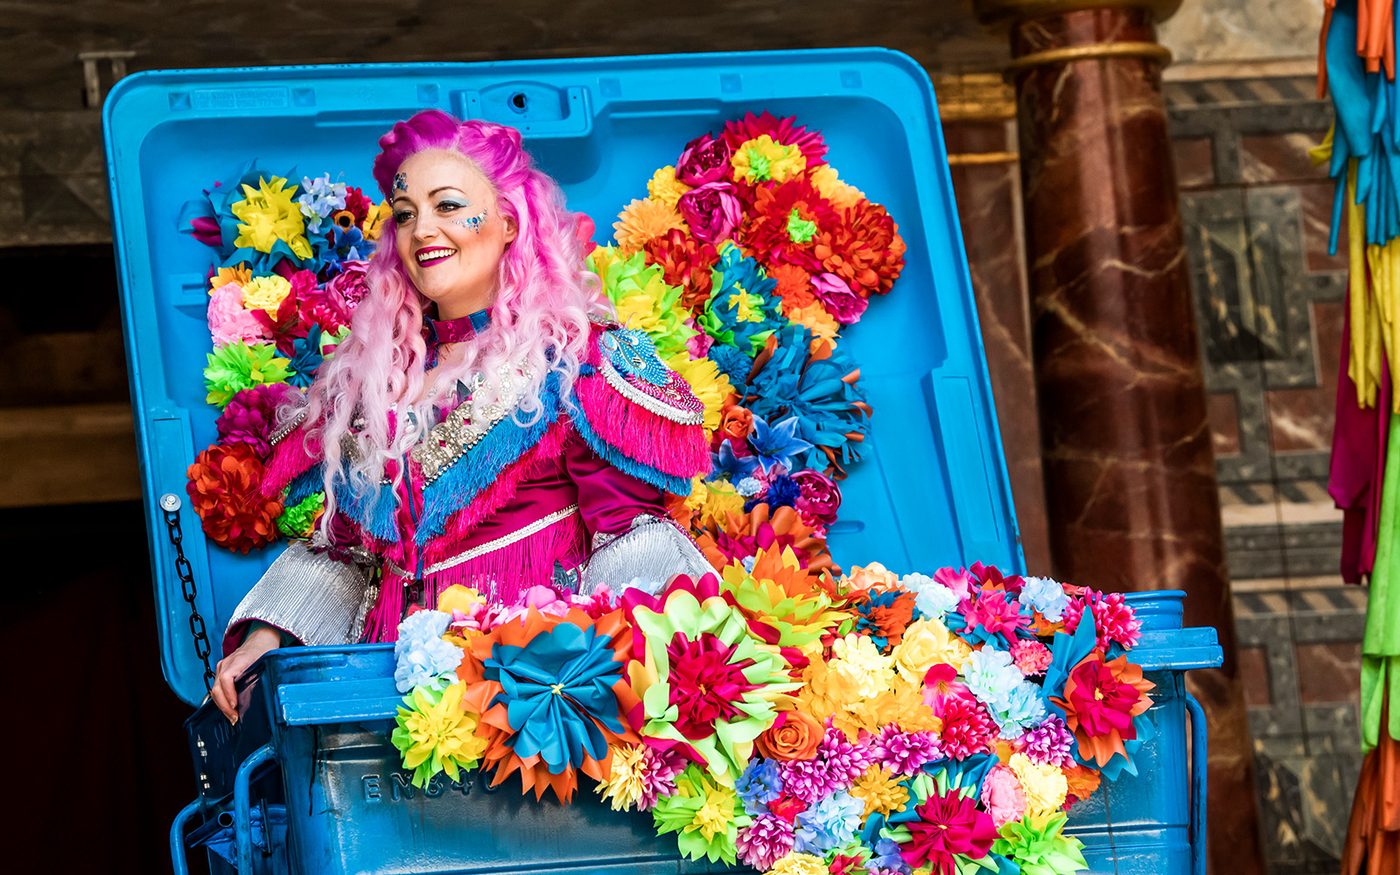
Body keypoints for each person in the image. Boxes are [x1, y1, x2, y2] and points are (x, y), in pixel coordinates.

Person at [211, 110, 713, 721]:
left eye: (447, 206)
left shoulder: (575, 361)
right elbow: (346, 551)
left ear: (507, 223)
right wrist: (268, 641)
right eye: (405, 214)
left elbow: (626, 529)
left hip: (535, 703)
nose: (422, 229)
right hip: (387, 710)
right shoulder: (372, 383)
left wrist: (659, 675)